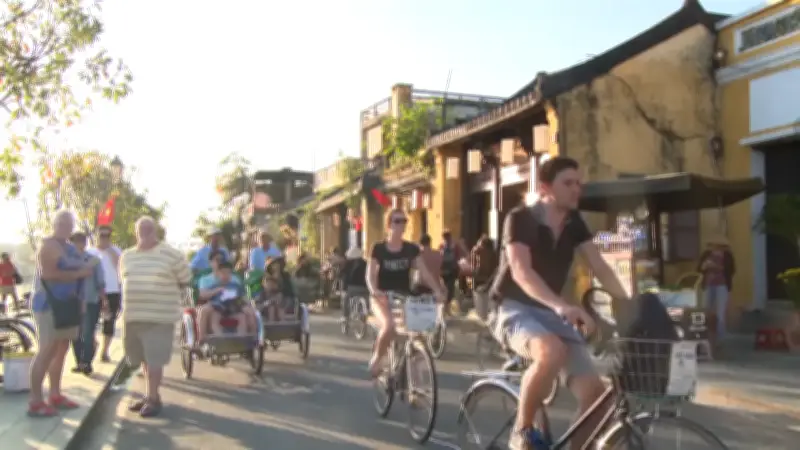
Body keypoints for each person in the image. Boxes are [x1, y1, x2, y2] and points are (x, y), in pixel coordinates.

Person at [491, 156, 629, 450]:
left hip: (552, 312)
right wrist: (561, 306)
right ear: (545, 188)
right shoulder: (521, 218)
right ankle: (522, 431)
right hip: (514, 308)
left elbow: (600, 267)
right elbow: (521, 272)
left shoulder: (574, 223)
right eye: (568, 183)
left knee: (597, 398)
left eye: (578, 183)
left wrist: (631, 303)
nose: (576, 189)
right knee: (551, 352)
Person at [120, 216, 191, 417]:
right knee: (143, 359)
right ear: (136, 232)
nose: (144, 233)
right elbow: (123, 279)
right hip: (133, 317)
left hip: (159, 318)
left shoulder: (173, 255)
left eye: (148, 229)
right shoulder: (127, 256)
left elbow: (185, 279)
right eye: (141, 229)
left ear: (155, 231)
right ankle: (150, 395)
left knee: (154, 360)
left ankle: (153, 399)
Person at [28, 210, 95, 417]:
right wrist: (81, 272)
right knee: (46, 350)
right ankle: (35, 401)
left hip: (68, 305)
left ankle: (55, 394)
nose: (65, 227)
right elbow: (49, 274)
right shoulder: (48, 245)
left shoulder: (69, 247)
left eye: (69, 223)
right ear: (54, 224)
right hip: (48, 305)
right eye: (61, 223)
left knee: (61, 349)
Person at [366, 209, 446, 377]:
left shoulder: (411, 249)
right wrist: (375, 291)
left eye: (404, 221)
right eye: (397, 221)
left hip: (404, 297)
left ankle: (414, 376)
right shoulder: (378, 249)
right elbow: (370, 275)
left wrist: (437, 290)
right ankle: (377, 358)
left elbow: (424, 273)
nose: (401, 225)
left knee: (418, 332)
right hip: (382, 297)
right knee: (389, 326)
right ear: (389, 225)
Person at [70, 232, 107, 375]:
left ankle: (87, 363)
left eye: (80, 241)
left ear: (85, 243)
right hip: (71, 303)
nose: (77, 244)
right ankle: (79, 362)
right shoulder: (67, 261)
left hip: (90, 301)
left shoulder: (94, 261)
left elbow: (100, 282)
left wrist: (104, 300)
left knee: (87, 333)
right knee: (74, 334)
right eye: (74, 242)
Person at [88, 225, 122, 363]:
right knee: (90, 322)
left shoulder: (116, 250)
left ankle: (105, 351)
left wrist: (109, 250)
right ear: (96, 236)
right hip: (94, 292)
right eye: (102, 235)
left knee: (109, 322)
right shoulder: (90, 252)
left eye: (107, 235)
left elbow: (120, 268)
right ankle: (93, 343)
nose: (104, 238)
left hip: (112, 291)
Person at [698, 236, 735, 340]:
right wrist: (704, 267)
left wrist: (716, 267)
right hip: (708, 284)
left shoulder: (727, 256)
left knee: (720, 311)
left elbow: (731, 270)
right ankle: (705, 333)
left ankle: (720, 335)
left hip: (722, 285)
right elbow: (699, 268)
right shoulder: (706, 254)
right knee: (706, 309)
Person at [198, 260, 249, 336]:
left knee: (242, 317)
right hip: (219, 310)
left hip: (233, 309)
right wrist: (216, 291)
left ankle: (241, 338)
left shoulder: (235, 286)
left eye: (228, 273)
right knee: (214, 319)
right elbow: (205, 296)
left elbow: (243, 297)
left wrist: (246, 303)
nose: (226, 275)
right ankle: (220, 338)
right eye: (223, 273)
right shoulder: (214, 286)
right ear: (218, 274)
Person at [439, 230, 467, 314]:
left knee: (446, 289)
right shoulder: (454, 246)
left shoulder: (442, 246)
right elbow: (460, 256)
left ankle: (445, 309)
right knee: (449, 289)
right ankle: (446, 309)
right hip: (450, 271)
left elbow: (439, 258)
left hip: (445, 271)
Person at [341, 247, 368, 323]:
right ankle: (364, 312)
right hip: (365, 288)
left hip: (352, 288)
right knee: (366, 299)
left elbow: (344, 275)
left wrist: (344, 288)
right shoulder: (366, 263)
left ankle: (345, 316)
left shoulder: (349, 264)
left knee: (345, 299)